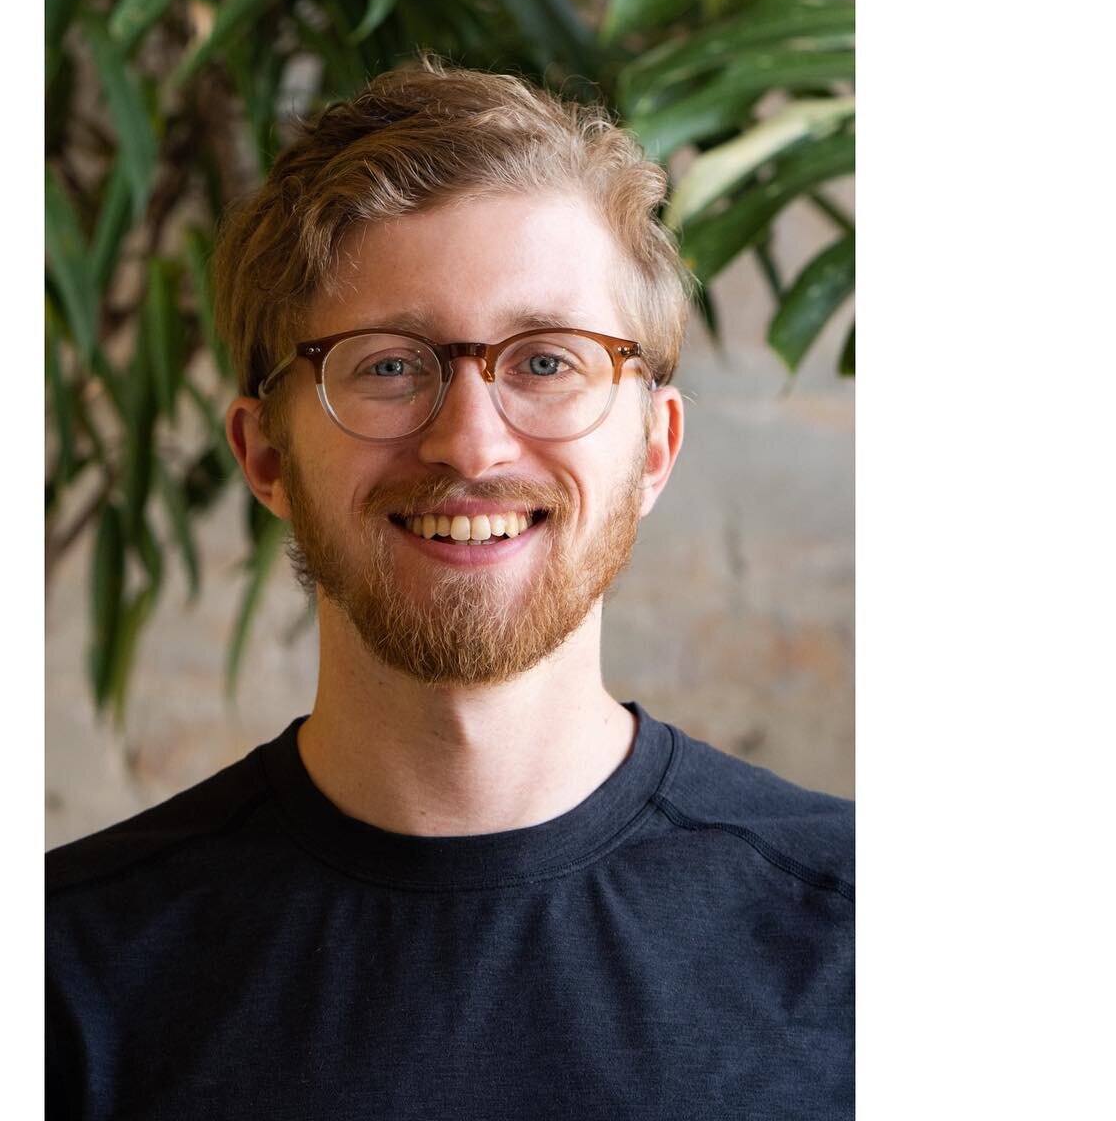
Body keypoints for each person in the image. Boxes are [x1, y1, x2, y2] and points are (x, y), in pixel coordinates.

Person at [45, 60, 854, 1120]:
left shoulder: (861, 939)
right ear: (267, 456)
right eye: (386, 365)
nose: (469, 440)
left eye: (548, 362)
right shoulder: (62, 979)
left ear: (654, 449)